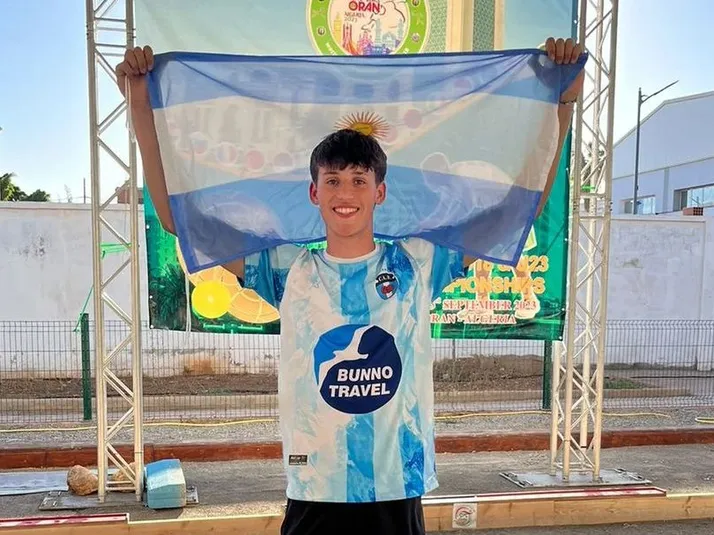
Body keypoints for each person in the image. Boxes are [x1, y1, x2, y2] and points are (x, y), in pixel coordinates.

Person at [116, 37, 584, 535]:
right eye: (333, 181)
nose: (346, 192)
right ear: (314, 192)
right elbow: (177, 219)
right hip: (316, 485)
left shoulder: (417, 263)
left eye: (359, 180)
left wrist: (561, 105)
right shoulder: (287, 270)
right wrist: (141, 108)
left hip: (395, 484)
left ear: (379, 192)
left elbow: (518, 210)